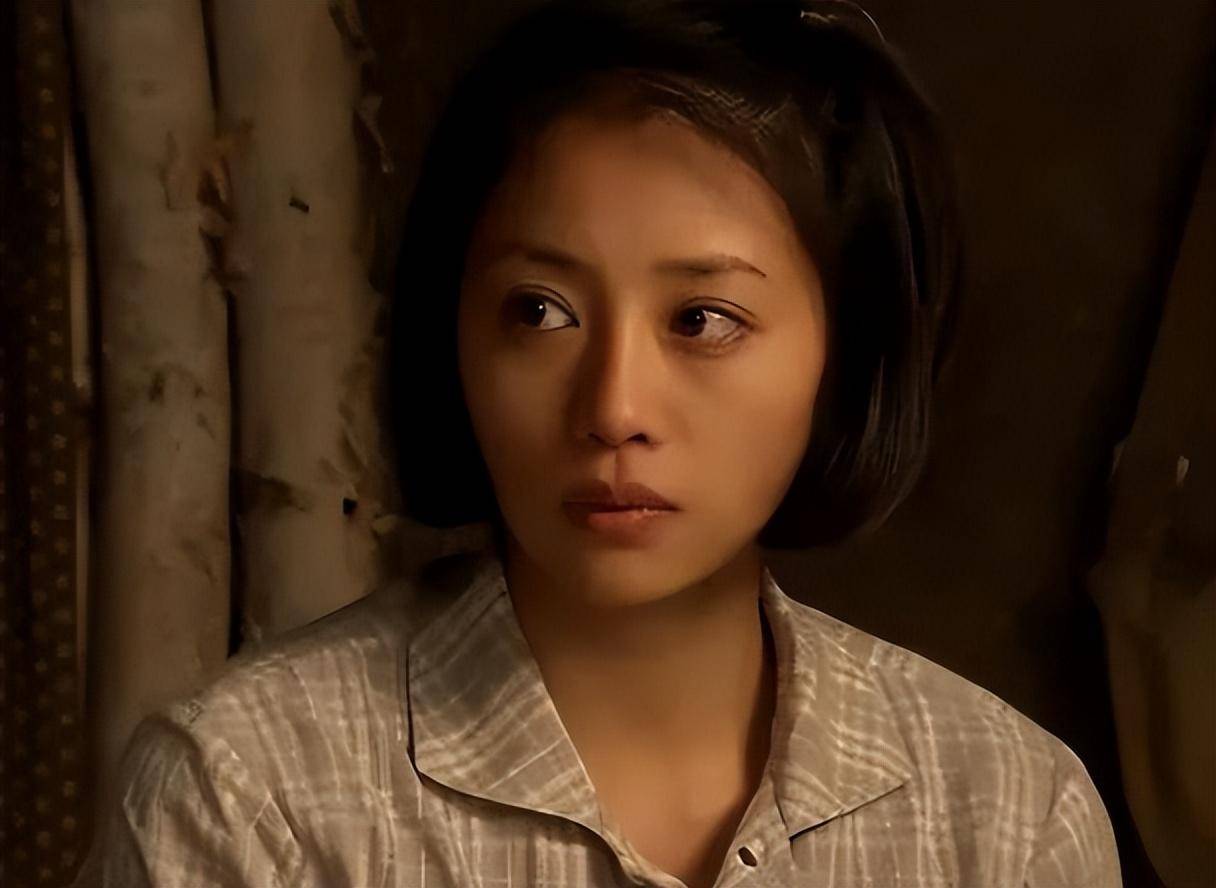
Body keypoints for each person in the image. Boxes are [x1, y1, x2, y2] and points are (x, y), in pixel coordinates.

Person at [79, 0, 1123, 886]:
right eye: (539, 312)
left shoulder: (1004, 813)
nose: (614, 407)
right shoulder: (247, 797)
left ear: (845, 354)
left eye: (702, 320)